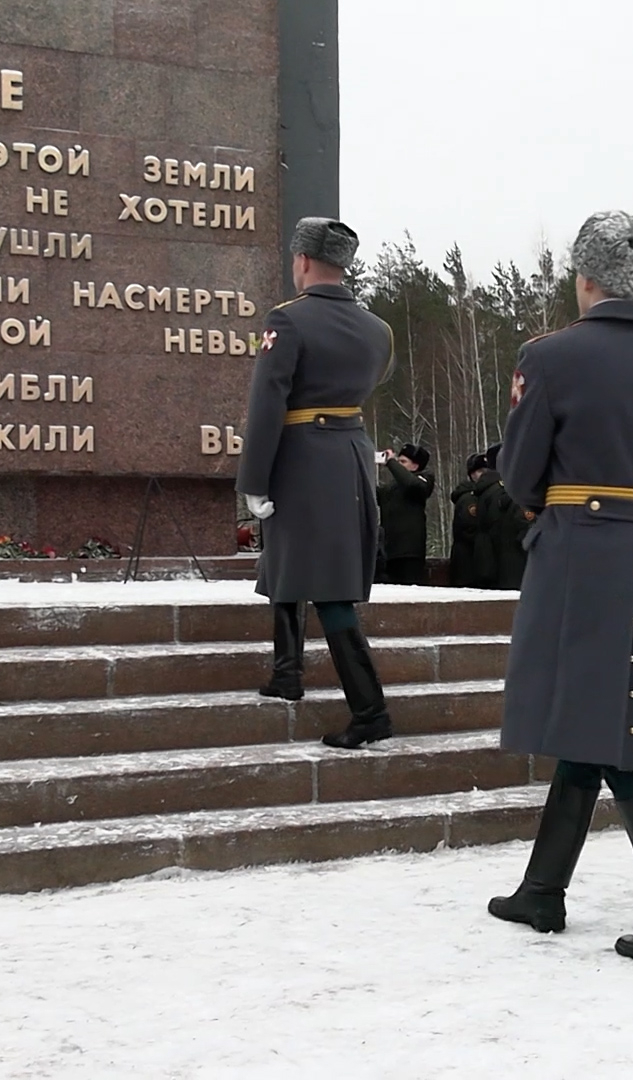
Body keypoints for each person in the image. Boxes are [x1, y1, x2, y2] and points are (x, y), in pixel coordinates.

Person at [486, 211, 633, 964]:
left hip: (576, 554)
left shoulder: (550, 356)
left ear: (587, 277)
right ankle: (542, 889)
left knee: (616, 733)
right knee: (596, 718)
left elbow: (519, 472)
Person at [236, 217, 398, 751]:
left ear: (302, 261)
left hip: (302, 457)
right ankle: (287, 675)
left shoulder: (289, 320)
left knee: (327, 589)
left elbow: (267, 405)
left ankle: (370, 711)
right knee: (286, 563)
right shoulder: (378, 330)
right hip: (350, 454)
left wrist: (253, 479)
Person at [376, 443, 434, 585]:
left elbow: (413, 484)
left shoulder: (423, 480)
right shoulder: (392, 488)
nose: (398, 465)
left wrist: (391, 462)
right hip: (389, 552)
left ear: (415, 466)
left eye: (403, 462)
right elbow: (375, 495)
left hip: (409, 553)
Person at [484, 443, 532, 590]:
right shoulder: (518, 494)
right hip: (518, 564)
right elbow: (525, 529)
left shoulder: (490, 491)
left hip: (498, 562)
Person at [447, 452, 497, 588]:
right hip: (468, 563)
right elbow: (470, 528)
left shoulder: (483, 495)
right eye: (480, 471)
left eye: (487, 471)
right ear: (471, 474)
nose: (484, 475)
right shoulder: (469, 498)